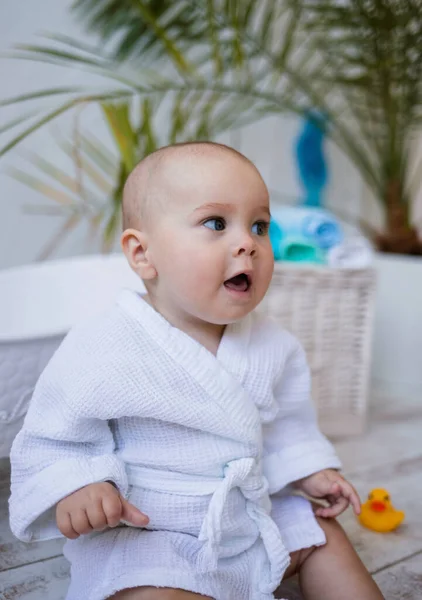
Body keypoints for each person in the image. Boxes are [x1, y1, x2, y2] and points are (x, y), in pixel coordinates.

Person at [9, 142, 384, 600]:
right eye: (216, 223)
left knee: (322, 535)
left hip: (247, 513)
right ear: (143, 254)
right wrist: (81, 485)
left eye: (260, 225)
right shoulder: (104, 344)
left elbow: (286, 426)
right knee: (148, 588)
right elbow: (55, 437)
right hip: (152, 529)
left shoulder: (273, 344)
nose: (247, 241)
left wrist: (309, 472)